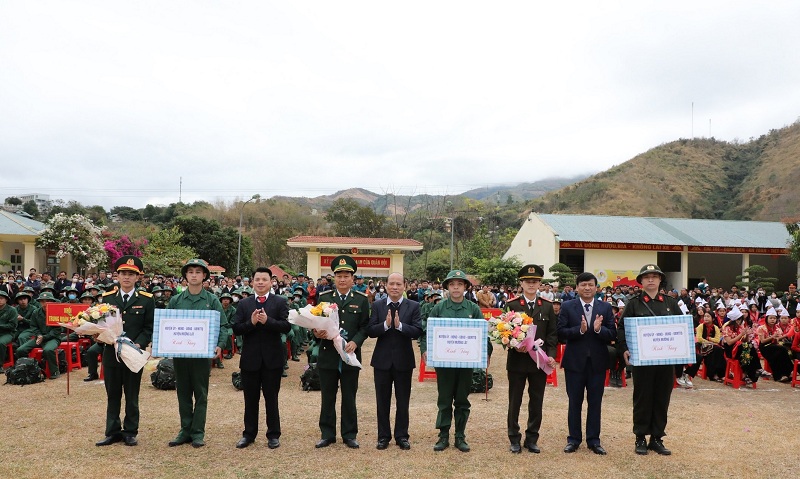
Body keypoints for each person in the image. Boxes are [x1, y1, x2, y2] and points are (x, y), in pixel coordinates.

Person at [616, 264, 679, 456]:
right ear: (641, 281)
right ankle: (640, 437)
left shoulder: (670, 303)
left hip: (665, 360)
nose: (651, 280)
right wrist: (624, 349)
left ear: (660, 280)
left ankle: (657, 438)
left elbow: (680, 327)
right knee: (643, 398)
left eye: (655, 277)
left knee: (662, 397)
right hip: (643, 360)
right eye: (647, 277)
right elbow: (621, 328)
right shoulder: (634, 303)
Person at [420, 269, 484, 453]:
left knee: (463, 400)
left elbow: (482, 334)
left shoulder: (473, 308)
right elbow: (427, 329)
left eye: (460, 284)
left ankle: (460, 436)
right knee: (445, 399)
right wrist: (425, 349)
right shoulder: (439, 308)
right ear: (447, 287)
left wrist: (485, 351)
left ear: (465, 287)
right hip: (444, 363)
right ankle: (443, 436)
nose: (456, 288)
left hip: (466, 364)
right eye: (452, 284)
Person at [94, 256, 154, 446]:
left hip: (133, 355)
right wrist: (98, 335)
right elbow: (101, 325)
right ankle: (112, 431)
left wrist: (138, 344)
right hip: (111, 353)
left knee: (131, 394)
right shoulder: (107, 298)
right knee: (112, 393)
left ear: (138, 277)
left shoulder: (146, 300)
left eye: (131, 274)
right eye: (123, 274)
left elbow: (149, 327)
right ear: (117, 276)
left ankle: (130, 431)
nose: (126, 277)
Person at [167, 258, 226, 448]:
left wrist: (219, 344)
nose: (194, 275)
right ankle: (185, 430)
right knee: (183, 393)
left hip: (201, 356)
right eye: (190, 271)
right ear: (185, 276)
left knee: (200, 394)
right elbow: (167, 325)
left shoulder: (212, 300)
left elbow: (223, 325)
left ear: (204, 276)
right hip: (181, 355)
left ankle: (198, 432)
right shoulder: (176, 300)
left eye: (198, 272)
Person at [313, 255, 370, 449]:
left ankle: (349, 434)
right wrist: (316, 332)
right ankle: (327, 434)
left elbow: (365, 327)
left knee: (349, 396)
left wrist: (356, 342)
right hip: (328, 355)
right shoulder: (324, 298)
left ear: (353, 278)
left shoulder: (361, 300)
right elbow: (315, 323)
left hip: (350, 356)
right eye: (339, 275)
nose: (343, 279)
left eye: (347, 275)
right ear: (334, 278)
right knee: (327, 396)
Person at [557, 272, 616, 455]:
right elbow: (560, 332)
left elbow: (613, 333)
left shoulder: (605, 307)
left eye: (590, 285)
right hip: (575, 362)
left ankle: (594, 440)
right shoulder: (567, 306)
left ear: (596, 287)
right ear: (577, 288)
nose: (587, 288)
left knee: (595, 402)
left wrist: (599, 330)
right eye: (583, 285)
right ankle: (573, 439)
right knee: (574, 401)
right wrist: (579, 330)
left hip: (597, 363)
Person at [232, 267, 291, 449]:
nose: (260, 282)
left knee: (271, 398)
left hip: (272, 359)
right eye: (257, 279)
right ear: (252, 282)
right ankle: (249, 434)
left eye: (264, 279)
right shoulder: (244, 304)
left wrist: (268, 322)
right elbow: (236, 328)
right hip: (250, 359)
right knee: (250, 399)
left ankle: (273, 434)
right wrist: (252, 323)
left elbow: (286, 326)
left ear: (271, 281)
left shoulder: (279, 302)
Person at [505, 265, 558, 454]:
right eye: (527, 281)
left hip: (539, 362)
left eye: (535, 281)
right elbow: (504, 332)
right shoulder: (512, 305)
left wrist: (551, 356)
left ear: (540, 283)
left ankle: (532, 438)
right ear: (521, 283)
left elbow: (552, 335)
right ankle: (514, 438)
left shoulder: (547, 306)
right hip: (517, 361)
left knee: (536, 401)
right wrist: (512, 344)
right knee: (515, 401)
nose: (531, 284)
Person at [367, 272, 422, 451]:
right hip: (382, 361)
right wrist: (385, 325)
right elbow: (371, 330)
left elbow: (417, 330)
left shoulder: (413, 306)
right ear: (386, 285)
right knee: (382, 401)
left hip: (403, 361)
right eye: (392, 284)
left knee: (403, 401)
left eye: (398, 284)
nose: (395, 287)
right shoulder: (377, 305)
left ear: (404, 286)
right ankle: (383, 436)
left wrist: (399, 326)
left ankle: (402, 436)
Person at [0, 290, 17, 373]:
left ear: (6, 299)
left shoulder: (12, 310)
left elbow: (12, 326)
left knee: (1, 342)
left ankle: (0, 365)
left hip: (8, 333)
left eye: (1, 298)